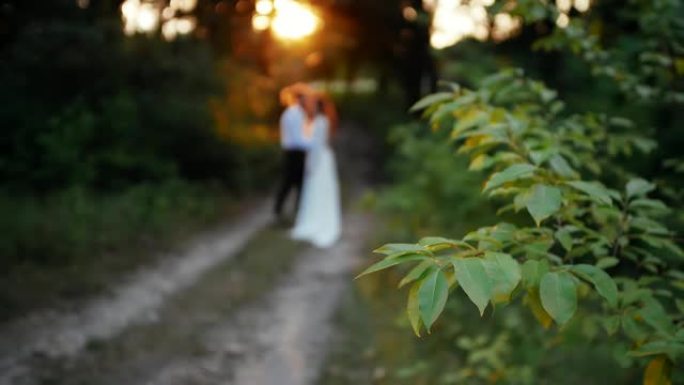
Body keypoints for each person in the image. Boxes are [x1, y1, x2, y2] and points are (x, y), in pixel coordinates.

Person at [291, 94, 341, 248]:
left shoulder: (319, 122)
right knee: (322, 190)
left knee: (319, 190)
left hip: (319, 159)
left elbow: (317, 146)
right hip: (324, 158)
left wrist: (311, 164)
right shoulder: (324, 121)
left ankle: (318, 220)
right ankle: (320, 218)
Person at [274, 87, 310, 220]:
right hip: (294, 152)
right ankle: (279, 210)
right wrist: (312, 145)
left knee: (298, 183)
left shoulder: (297, 113)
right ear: (298, 99)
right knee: (289, 182)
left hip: (296, 152)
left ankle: (297, 210)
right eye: (304, 99)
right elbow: (297, 138)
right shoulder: (293, 114)